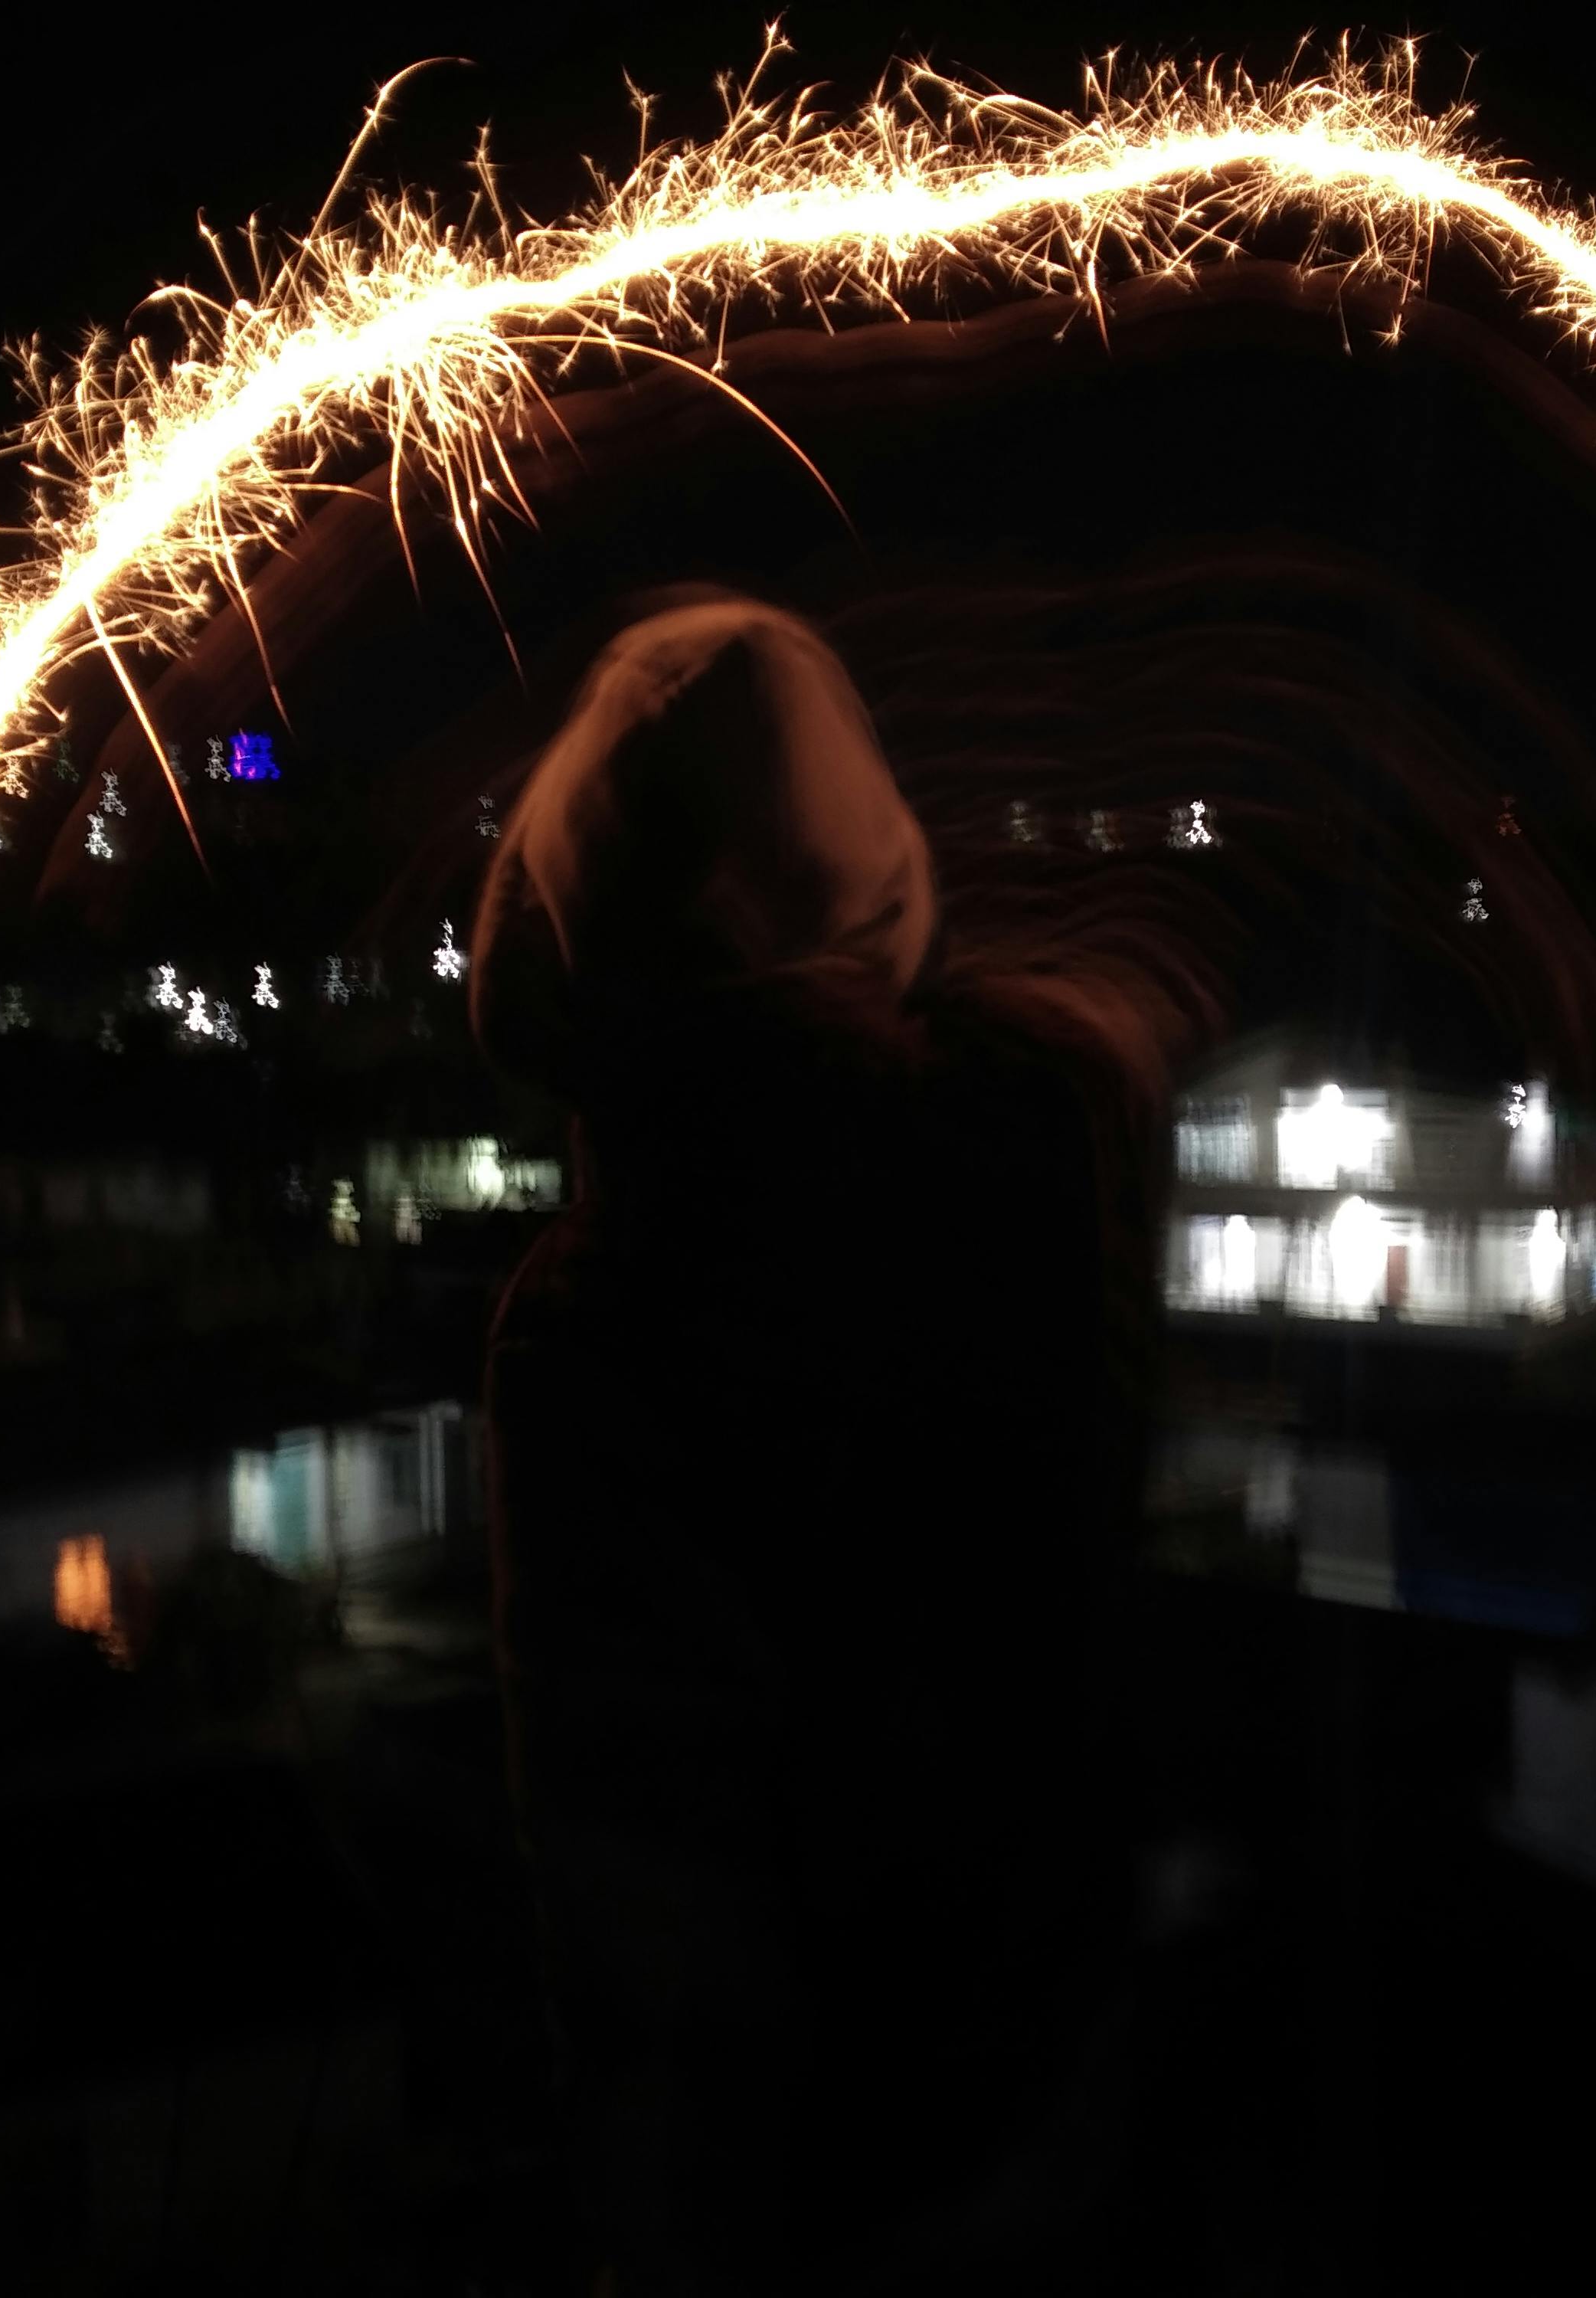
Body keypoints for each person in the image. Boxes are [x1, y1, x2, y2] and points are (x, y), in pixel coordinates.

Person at [471, 596, 1185, 2293]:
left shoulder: (591, 1320)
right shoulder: (1048, 1160)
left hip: (794, 2190)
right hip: (1050, 2100)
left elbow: (643, 1895)